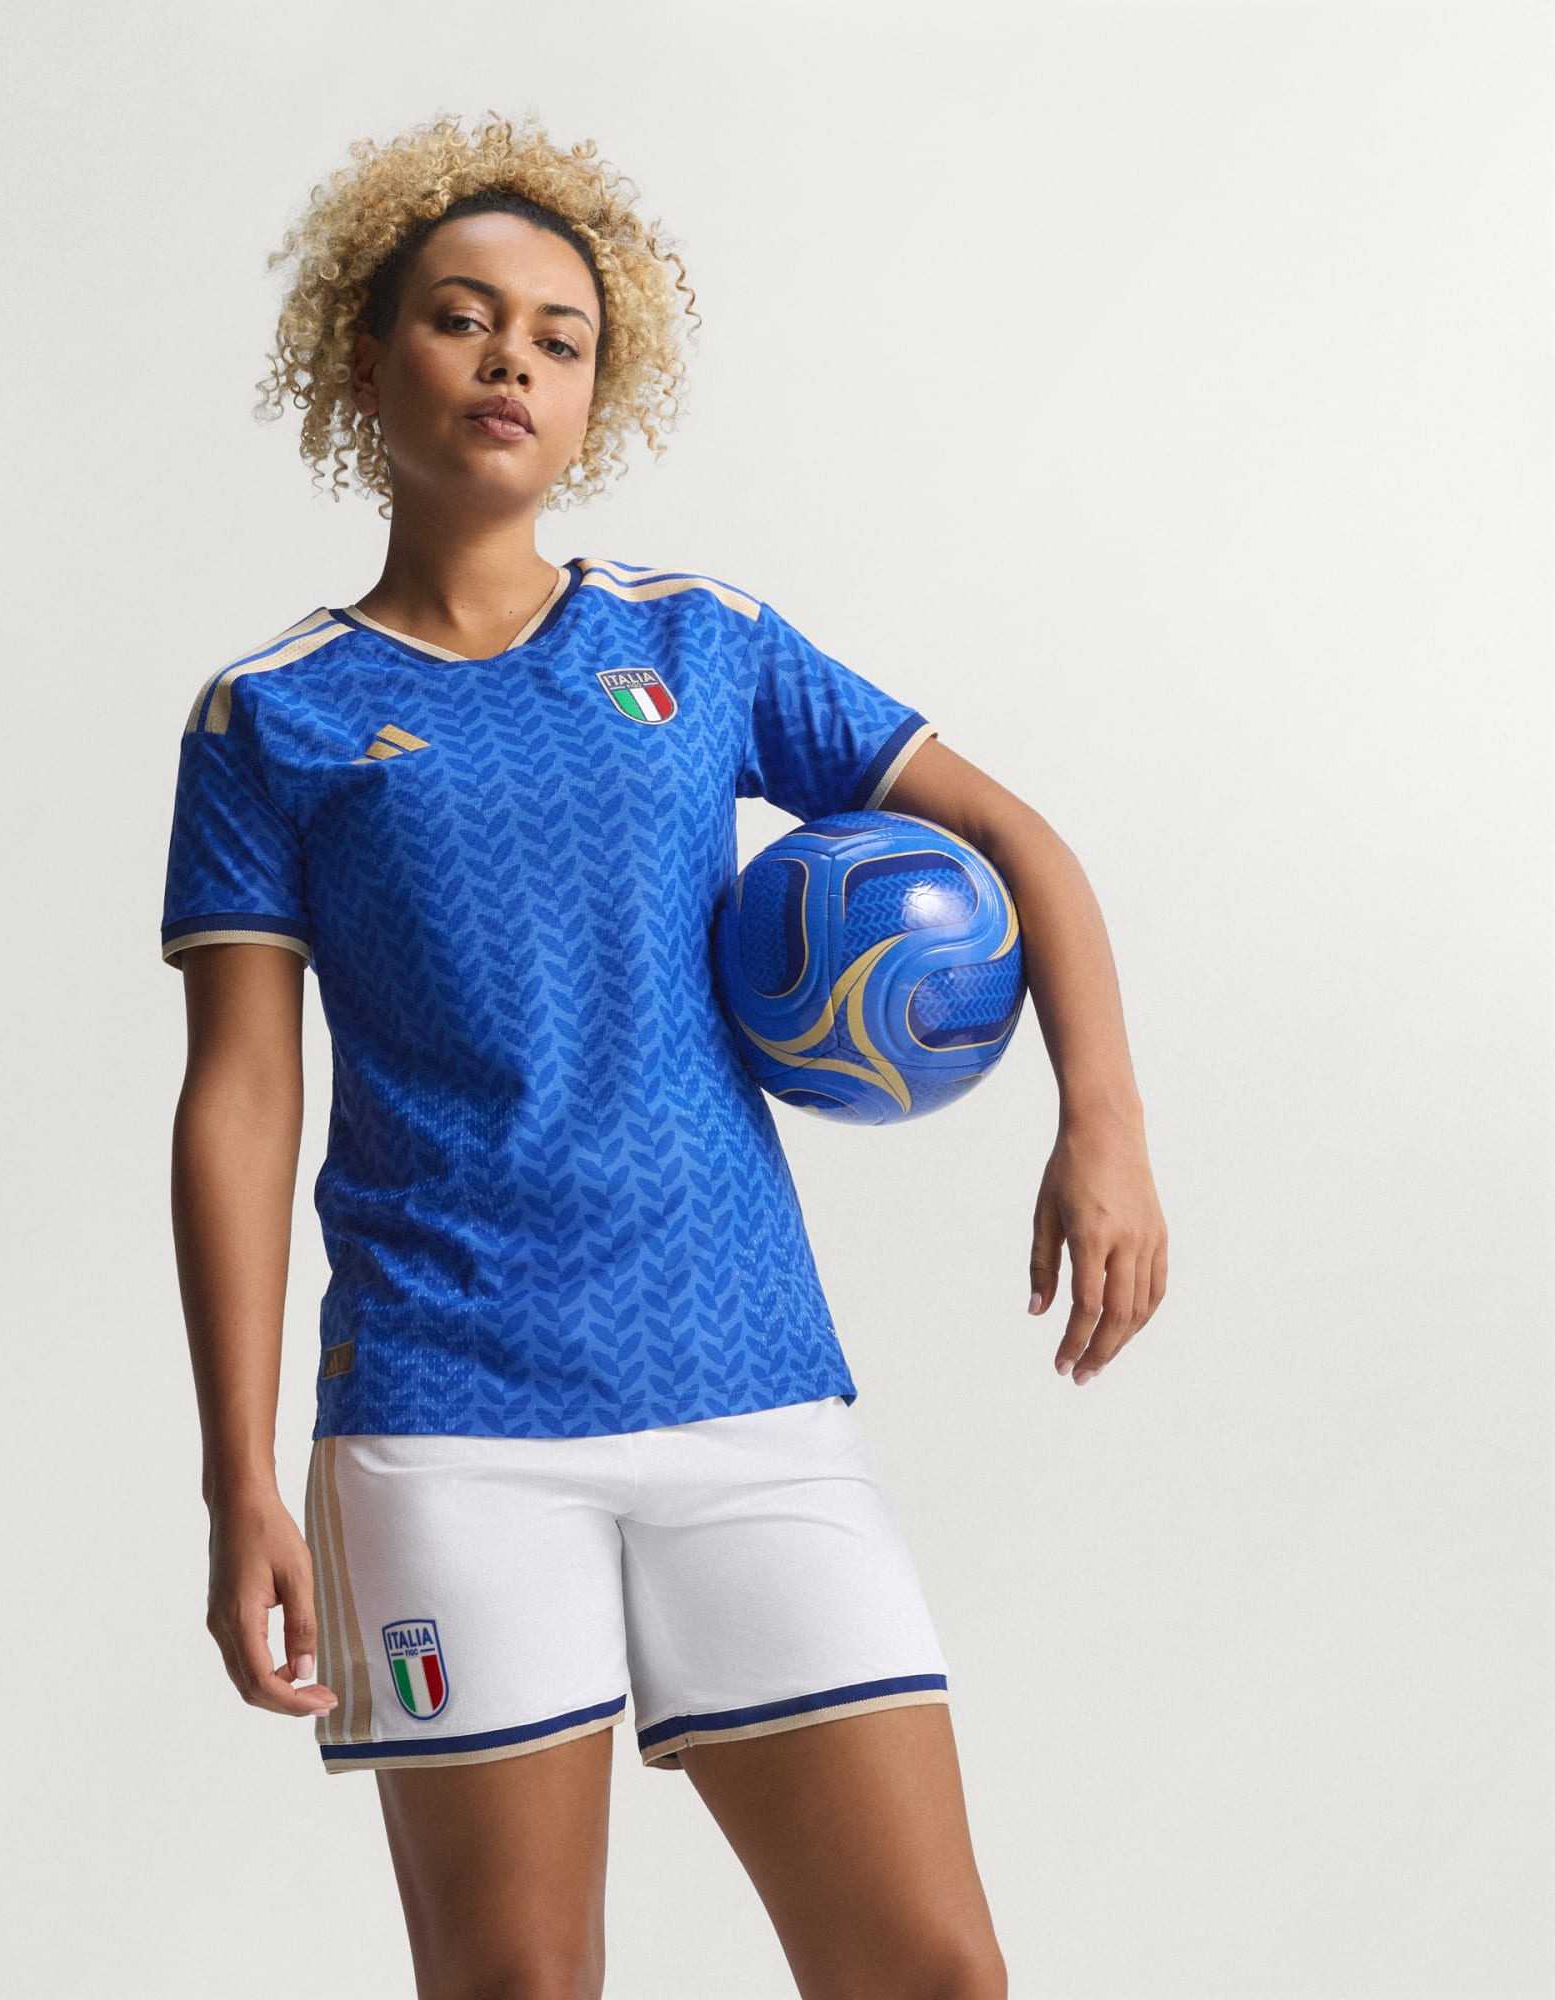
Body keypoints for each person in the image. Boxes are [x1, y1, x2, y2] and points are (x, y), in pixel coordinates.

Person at [161, 111, 1167, 2000]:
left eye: (559, 337)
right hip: (447, 1415)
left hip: (747, 1386)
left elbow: (1018, 839)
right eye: (463, 318)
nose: (511, 361)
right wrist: (239, 1481)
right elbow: (242, 1097)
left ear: (593, 397)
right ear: (364, 357)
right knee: (519, 1985)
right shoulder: (273, 717)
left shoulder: (701, 644)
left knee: (932, 1975)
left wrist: (1098, 1122)